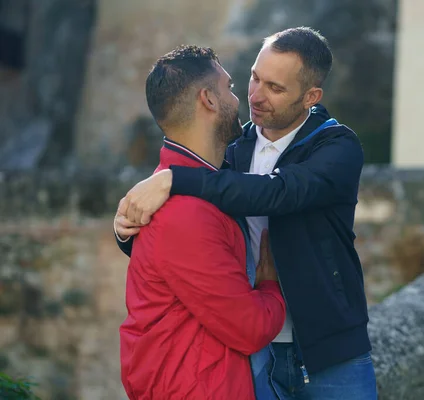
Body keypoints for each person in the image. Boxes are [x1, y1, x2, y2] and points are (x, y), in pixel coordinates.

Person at [115, 27, 378, 399]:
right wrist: (126, 230)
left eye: (275, 87)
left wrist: (177, 178)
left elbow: (279, 193)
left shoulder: (337, 147)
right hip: (253, 351)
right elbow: (185, 242)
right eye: (254, 77)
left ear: (310, 97)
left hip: (329, 350)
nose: (255, 95)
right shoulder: (232, 145)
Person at [118, 45, 286, 400]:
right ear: (208, 99)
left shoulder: (185, 187)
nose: (241, 98)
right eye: (230, 88)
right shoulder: (185, 211)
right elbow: (250, 328)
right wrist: (271, 284)